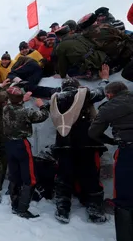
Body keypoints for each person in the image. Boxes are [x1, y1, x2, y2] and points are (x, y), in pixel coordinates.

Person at [50, 65, 111, 224]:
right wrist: (104, 78)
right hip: (85, 144)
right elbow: (101, 92)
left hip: (63, 144)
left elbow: (38, 91)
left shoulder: (56, 97)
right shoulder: (83, 94)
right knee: (90, 175)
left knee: (64, 176)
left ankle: (62, 210)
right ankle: (94, 210)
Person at [88, 81, 133, 240]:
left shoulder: (109, 107)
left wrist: (112, 141)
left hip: (128, 151)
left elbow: (93, 133)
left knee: (124, 196)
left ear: (109, 95)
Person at [3, 87, 50, 219]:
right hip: (21, 145)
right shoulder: (26, 112)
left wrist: (20, 100)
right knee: (30, 178)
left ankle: (15, 204)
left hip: (9, 144)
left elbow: (14, 105)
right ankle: (22, 209)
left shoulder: (5, 108)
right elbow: (43, 116)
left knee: (14, 176)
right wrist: (42, 106)